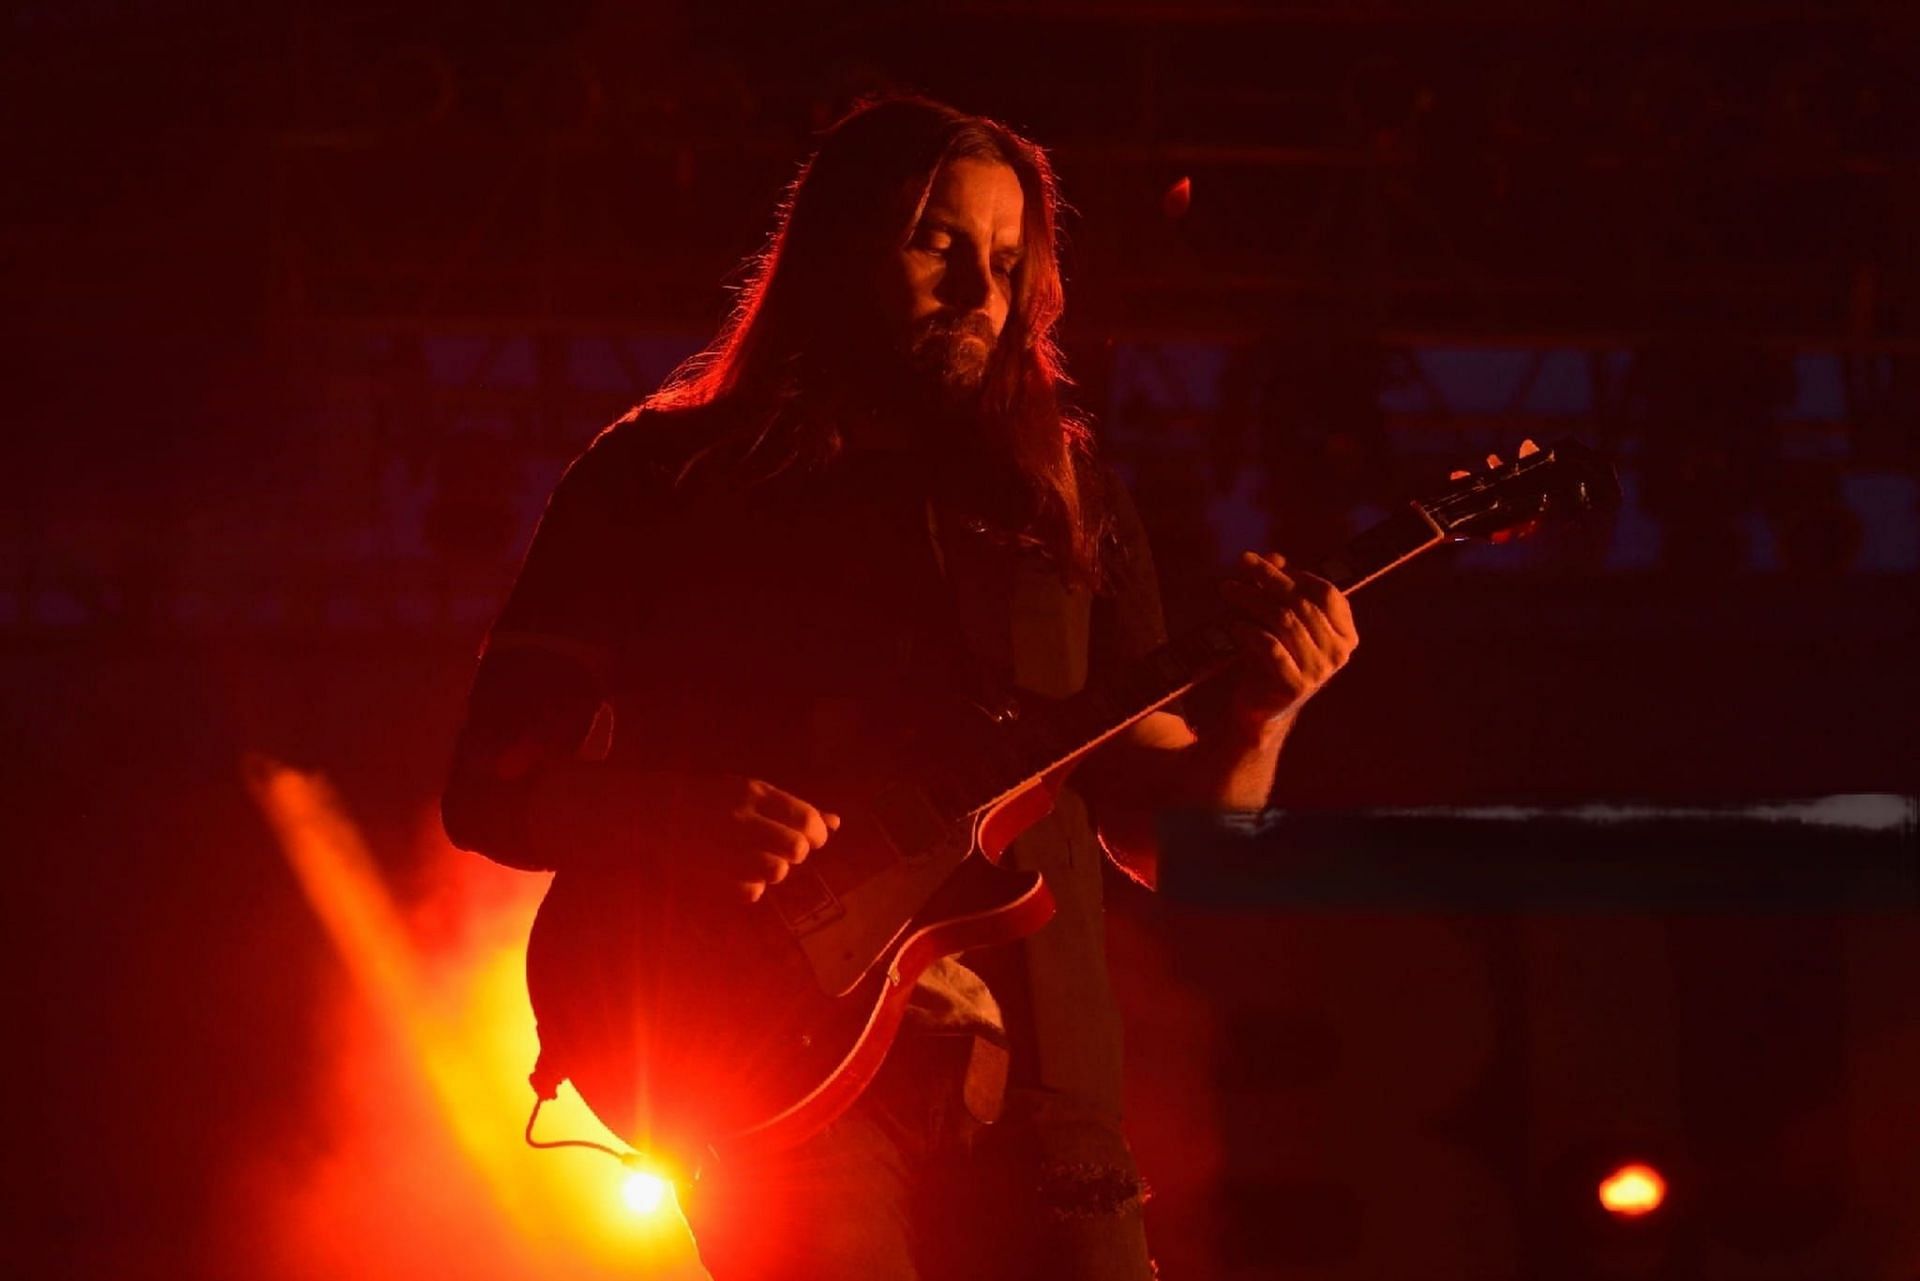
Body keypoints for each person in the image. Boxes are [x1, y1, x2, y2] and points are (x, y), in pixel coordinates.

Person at [442, 95, 1357, 1280]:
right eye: (940, 242)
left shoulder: (1071, 504)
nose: (982, 290)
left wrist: (1266, 715)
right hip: (776, 1062)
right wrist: (671, 815)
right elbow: (488, 786)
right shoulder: (658, 478)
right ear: (839, 245)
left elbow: (1170, 846)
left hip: (1045, 1095)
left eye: (1009, 260)